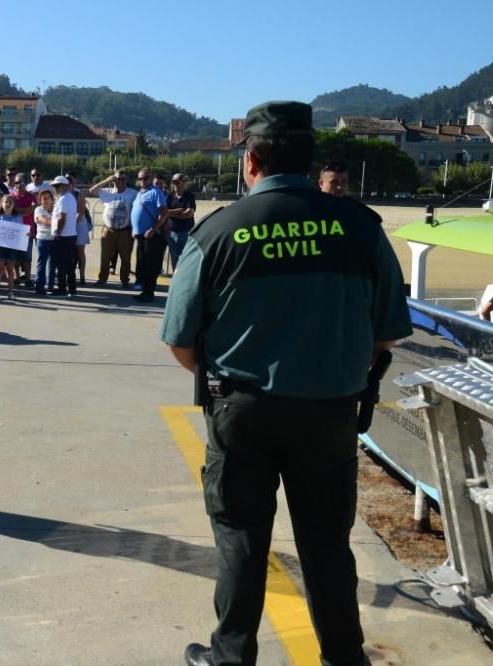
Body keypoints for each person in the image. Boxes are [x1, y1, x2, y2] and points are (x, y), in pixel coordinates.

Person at [159, 101, 412, 666]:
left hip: (242, 411)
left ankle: (231, 658)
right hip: (330, 413)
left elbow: (180, 341)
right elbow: (388, 332)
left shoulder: (218, 231)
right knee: (326, 545)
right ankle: (345, 659)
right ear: (311, 159)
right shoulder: (361, 229)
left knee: (242, 540)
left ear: (250, 161)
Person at [90, 170, 137, 287]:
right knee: (105, 257)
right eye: (117, 179)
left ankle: (125, 280)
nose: (120, 181)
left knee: (125, 257)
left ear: (126, 181)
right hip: (108, 230)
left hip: (125, 230)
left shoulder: (133, 193)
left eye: (122, 179)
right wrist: (107, 180)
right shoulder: (107, 192)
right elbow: (92, 191)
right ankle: (102, 279)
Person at [131, 168, 168, 302]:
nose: (142, 181)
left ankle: (149, 293)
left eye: (145, 178)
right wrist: (134, 229)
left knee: (150, 265)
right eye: (140, 178)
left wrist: (153, 229)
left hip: (151, 236)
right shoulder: (140, 193)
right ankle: (145, 291)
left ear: (151, 178)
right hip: (140, 235)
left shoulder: (156, 192)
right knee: (142, 264)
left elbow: (164, 213)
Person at [0, 194, 24, 301]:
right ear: (2, 204)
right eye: (6, 202)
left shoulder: (18, 218)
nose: (8, 204)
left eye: (10, 202)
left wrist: (25, 234)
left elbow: (21, 232)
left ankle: (11, 292)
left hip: (12, 247)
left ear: (13, 205)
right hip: (0, 246)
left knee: (10, 269)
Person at [50, 176, 78, 297]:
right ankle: (72, 288)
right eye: (54, 186)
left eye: (57, 186)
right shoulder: (68, 197)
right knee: (68, 264)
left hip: (64, 236)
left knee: (61, 264)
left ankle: (62, 288)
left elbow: (62, 217)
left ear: (64, 186)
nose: (55, 188)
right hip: (69, 235)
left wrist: (57, 232)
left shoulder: (64, 199)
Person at [165, 173, 196, 270]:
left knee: (188, 258)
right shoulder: (170, 196)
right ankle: (176, 280)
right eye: (173, 182)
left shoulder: (189, 196)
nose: (175, 184)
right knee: (175, 258)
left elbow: (189, 214)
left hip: (186, 232)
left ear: (184, 183)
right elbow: (164, 212)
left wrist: (171, 213)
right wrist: (180, 210)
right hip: (172, 233)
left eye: (177, 182)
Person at [33, 189, 55, 294]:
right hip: (43, 239)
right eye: (43, 198)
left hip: (55, 240)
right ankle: (39, 286)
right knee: (42, 263)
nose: (45, 200)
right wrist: (60, 220)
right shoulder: (38, 210)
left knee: (52, 264)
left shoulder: (57, 209)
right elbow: (45, 221)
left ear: (52, 199)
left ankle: (50, 285)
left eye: (48, 198)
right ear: (40, 200)